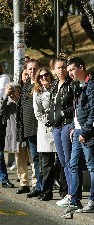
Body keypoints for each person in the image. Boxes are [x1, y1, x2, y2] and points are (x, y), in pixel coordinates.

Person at [61, 57, 94, 217]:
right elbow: (76, 110)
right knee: (73, 165)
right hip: (78, 131)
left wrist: (85, 132)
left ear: (81, 67)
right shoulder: (77, 86)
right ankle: (74, 201)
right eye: (69, 72)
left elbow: (93, 111)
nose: (70, 74)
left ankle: (92, 200)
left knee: (91, 166)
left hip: (87, 133)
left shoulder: (91, 84)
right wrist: (74, 128)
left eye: (72, 70)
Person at [48, 56, 74, 207]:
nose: (62, 70)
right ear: (55, 69)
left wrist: (63, 113)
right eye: (59, 67)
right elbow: (52, 103)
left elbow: (74, 105)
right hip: (55, 126)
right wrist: (49, 115)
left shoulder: (71, 84)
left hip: (66, 124)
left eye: (64, 67)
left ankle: (71, 193)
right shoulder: (55, 84)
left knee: (69, 160)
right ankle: (70, 193)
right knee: (63, 161)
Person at [17, 59, 41, 198]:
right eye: (29, 69)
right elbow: (22, 107)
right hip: (29, 128)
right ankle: (38, 186)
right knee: (35, 159)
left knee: (43, 159)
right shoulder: (26, 84)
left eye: (34, 69)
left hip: (41, 127)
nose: (32, 72)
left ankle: (43, 186)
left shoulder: (42, 84)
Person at [33, 67, 57, 201]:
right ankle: (47, 192)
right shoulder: (38, 92)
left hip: (58, 129)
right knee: (46, 165)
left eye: (46, 75)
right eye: (41, 77)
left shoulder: (56, 88)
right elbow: (38, 113)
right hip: (46, 130)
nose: (44, 78)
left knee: (60, 163)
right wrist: (49, 120)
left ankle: (65, 192)